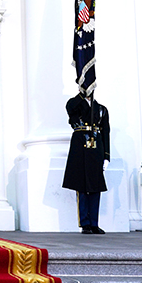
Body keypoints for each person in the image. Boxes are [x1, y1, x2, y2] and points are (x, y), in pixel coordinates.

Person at [62, 92, 110, 234]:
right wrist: (82, 94)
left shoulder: (101, 109)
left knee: (95, 187)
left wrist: (106, 155)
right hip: (80, 147)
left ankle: (94, 223)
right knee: (81, 186)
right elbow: (70, 107)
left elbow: (106, 132)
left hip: (96, 148)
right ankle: (85, 223)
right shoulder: (75, 104)